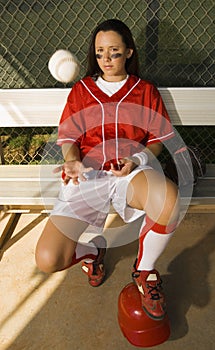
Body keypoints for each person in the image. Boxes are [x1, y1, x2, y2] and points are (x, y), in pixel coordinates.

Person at [36, 19, 189, 321]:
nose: (106, 59)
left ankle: (144, 271)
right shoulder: (82, 90)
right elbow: (69, 137)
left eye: (114, 52)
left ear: (129, 52)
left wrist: (139, 159)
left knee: (169, 200)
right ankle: (94, 252)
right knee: (48, 259)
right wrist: (71, 159)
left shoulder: (145, 90)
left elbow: (157, 141)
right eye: (100, 52)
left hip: (128, 174)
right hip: (88, 175)